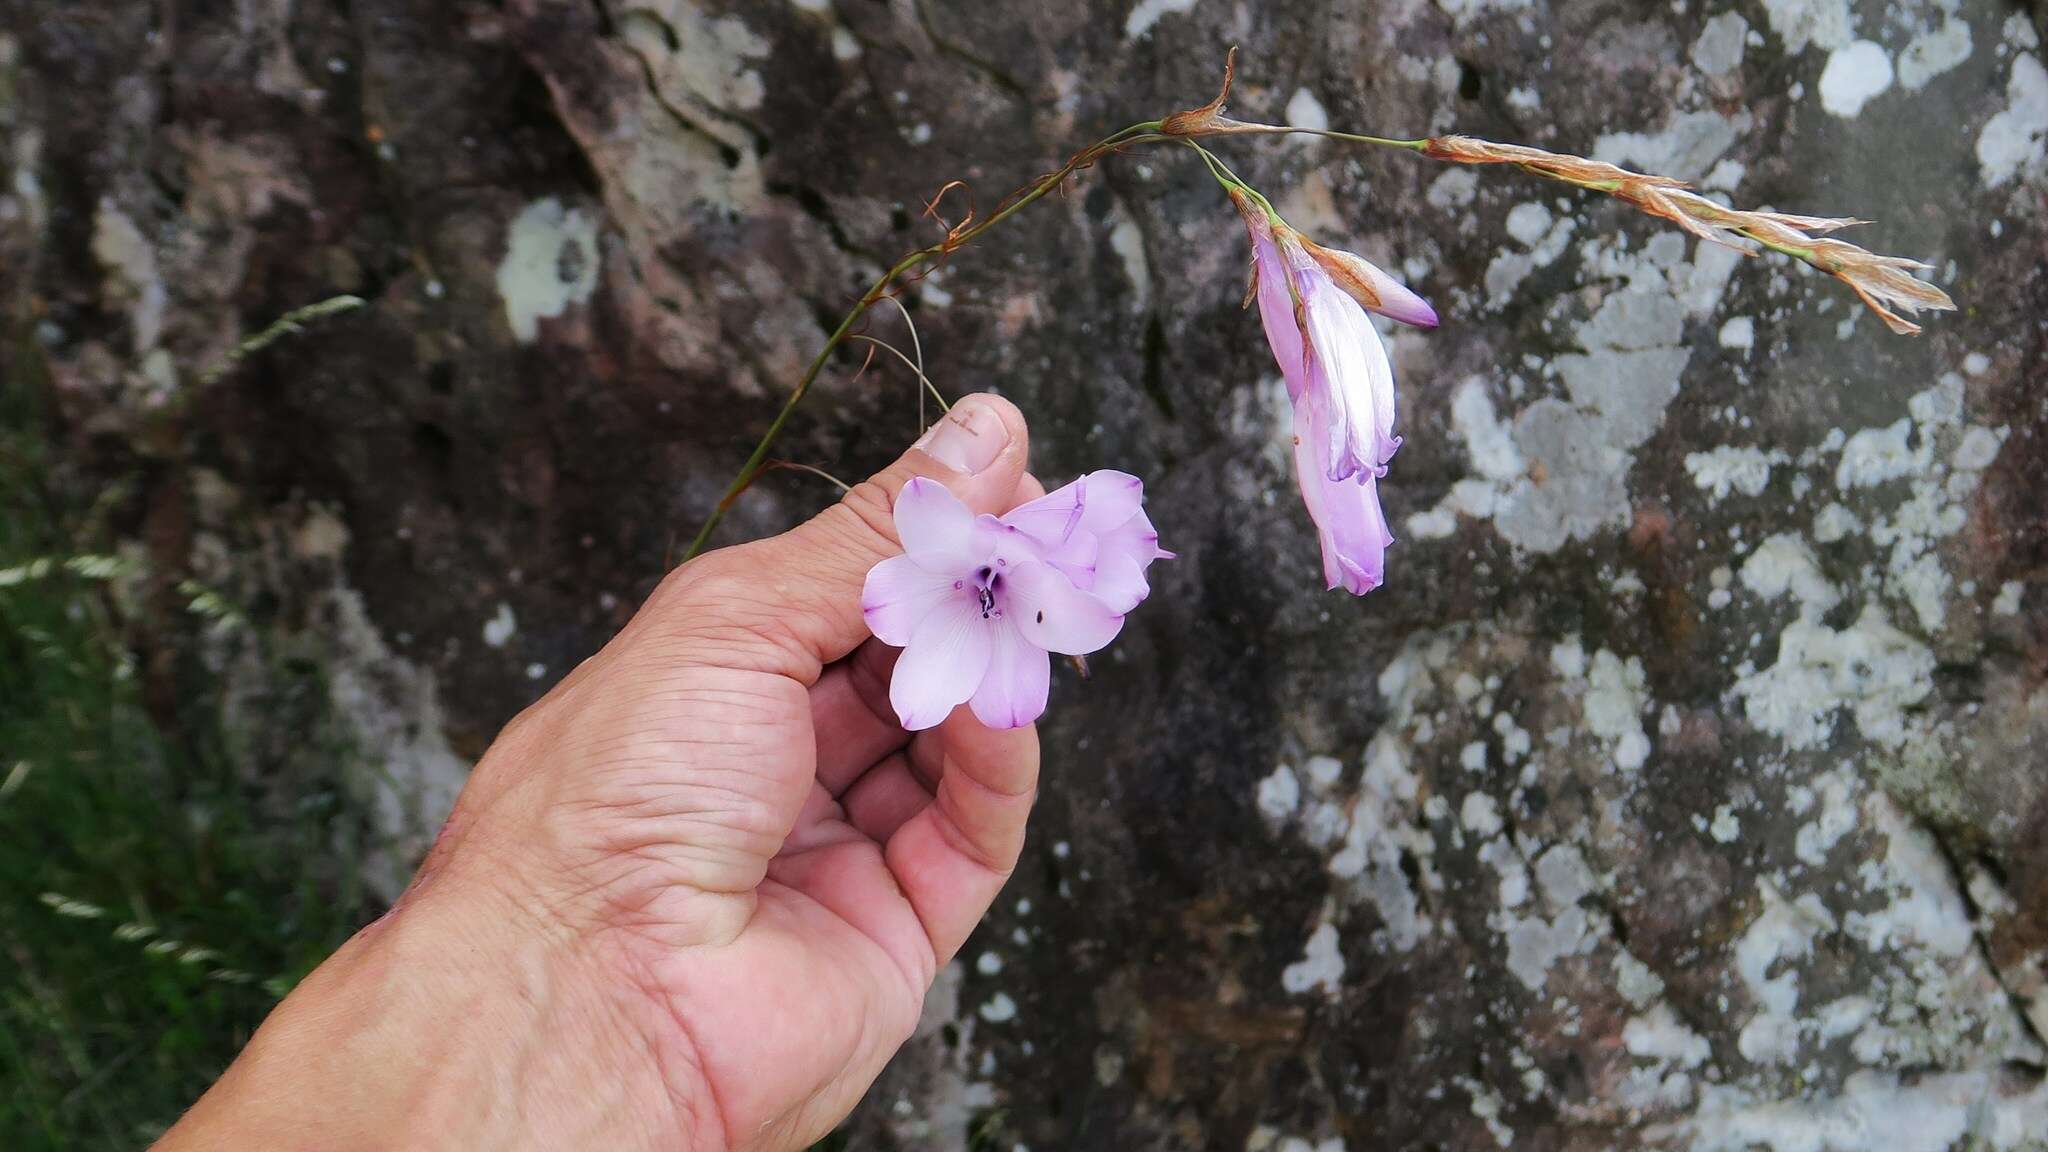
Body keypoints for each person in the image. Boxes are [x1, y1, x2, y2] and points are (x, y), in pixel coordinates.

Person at [157, 395, 1042, 1151]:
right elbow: (885, 590)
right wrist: (605, 989)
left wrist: (601, 987)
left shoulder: (974, 619)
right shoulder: (915, 572)